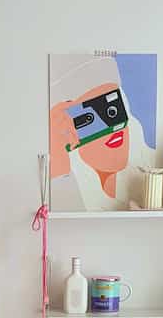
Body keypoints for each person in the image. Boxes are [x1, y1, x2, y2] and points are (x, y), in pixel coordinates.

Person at [49, 55, 155, 211]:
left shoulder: (151, 172)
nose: (113, 130)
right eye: (90, 118)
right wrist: (59, 165)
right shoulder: (66, 186)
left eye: (112, 110)